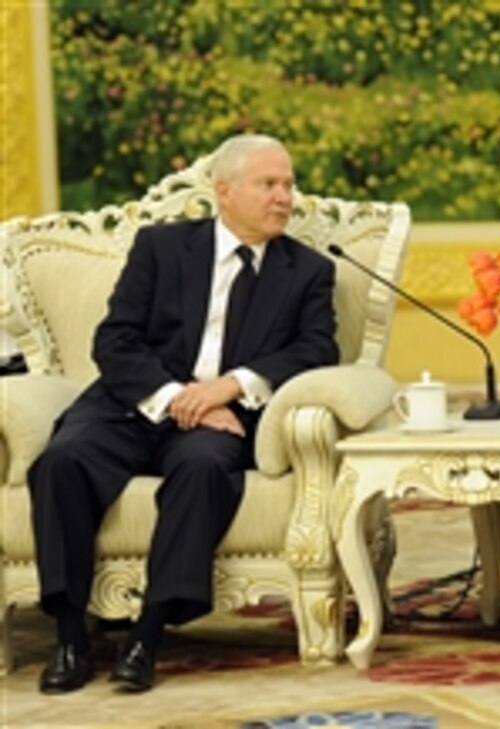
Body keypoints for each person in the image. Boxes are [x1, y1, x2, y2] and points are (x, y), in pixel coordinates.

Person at [30, 134, 339, 694]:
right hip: (134, 405)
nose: (284, 197)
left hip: (223, 418)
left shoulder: (308, 271)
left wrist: (230, 387)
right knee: (62, 462)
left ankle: (146, 636)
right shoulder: (162, 248)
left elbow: (317, 350)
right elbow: (116, 339)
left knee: (203, 470)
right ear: (224, 191)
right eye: (269, 184)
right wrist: (175, 397)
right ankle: (70, 637)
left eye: (289, 184)